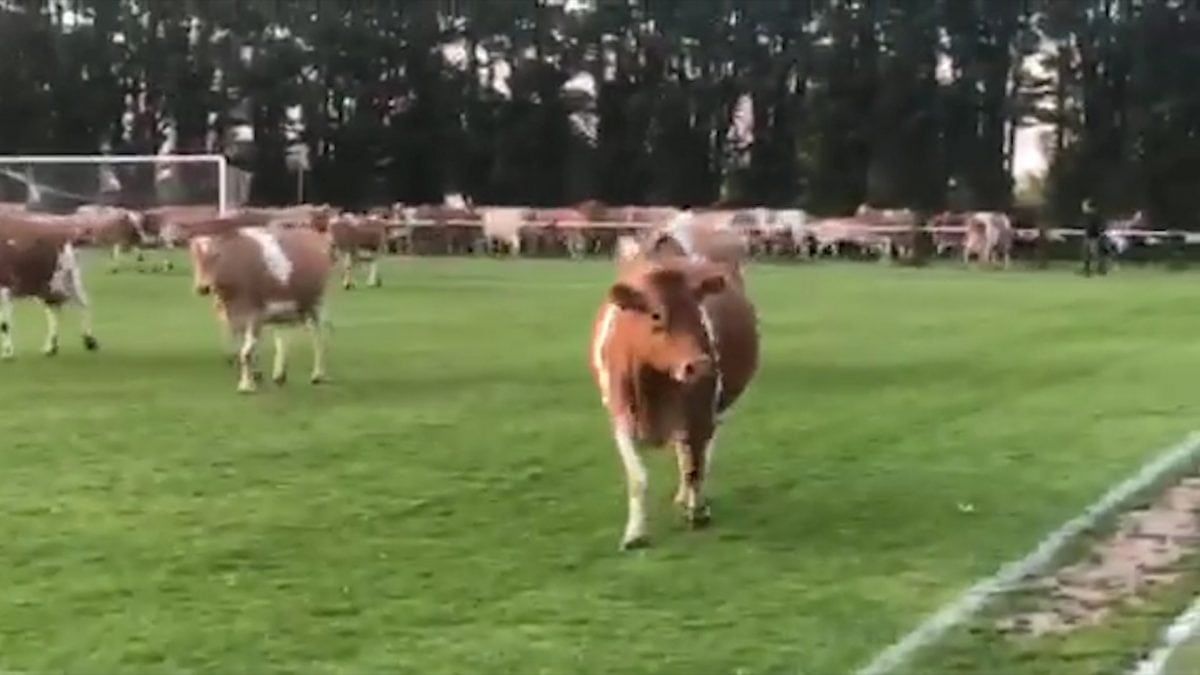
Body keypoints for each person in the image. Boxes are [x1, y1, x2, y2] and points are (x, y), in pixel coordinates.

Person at [1080, 199, 1108, 276]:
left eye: (1084, 206)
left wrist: (1099, 233)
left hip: (1094, 238)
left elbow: (1102, 226)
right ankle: (1087, 270)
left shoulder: (1096, 215)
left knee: (1096, 254)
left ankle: (1101, 270)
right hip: (1088, 237)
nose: (1083, 208)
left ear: (1089, 207)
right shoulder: (1087, 216)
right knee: (1086, 254)